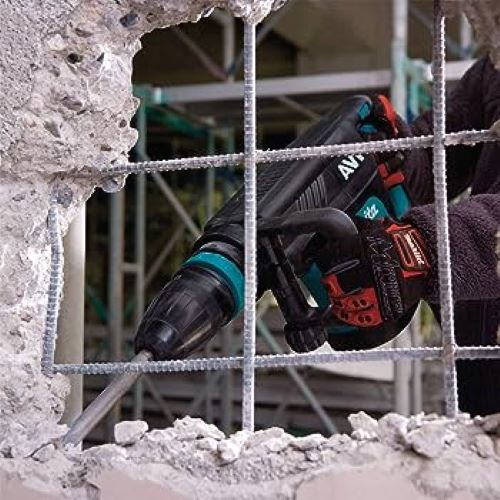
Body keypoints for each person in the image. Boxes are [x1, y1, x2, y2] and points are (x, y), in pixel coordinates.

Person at [323, 55, 500, 416]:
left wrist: (419, 247)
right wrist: (395, 152)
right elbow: (441, 151)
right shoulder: (494, 65)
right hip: (476, 370)